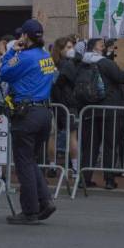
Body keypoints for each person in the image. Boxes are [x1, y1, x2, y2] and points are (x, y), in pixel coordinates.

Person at [0, 19, 57, 224]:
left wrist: (10, 51)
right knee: (30, 161)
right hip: (44, 112)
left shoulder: (23, 57)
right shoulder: (45, 56)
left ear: (25, 36)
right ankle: (45, 200)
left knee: (24, 163)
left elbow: (3, 73)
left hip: (27, 114)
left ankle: (30, 210)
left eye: (21, 35)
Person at [79, 38, 124, 190]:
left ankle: (84, 179)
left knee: (90, 146)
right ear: (96, 48)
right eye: (101, 45)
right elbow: (122, 78)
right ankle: (109, 180)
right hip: (110, 108)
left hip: (90, 108)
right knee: (110, 145)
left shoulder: (82, 63)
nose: (104, 47)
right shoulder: (105, 63)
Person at [49, 36, 80, 176]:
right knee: (70, 136)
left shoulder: (52, 64)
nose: (71, 49)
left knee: (53, 136)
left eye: (71, 46)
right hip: (66, 103)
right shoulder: (68, 65)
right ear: (60, 49)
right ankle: (74, 167)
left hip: (55, 102)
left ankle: (52, 166)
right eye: (68, 47)